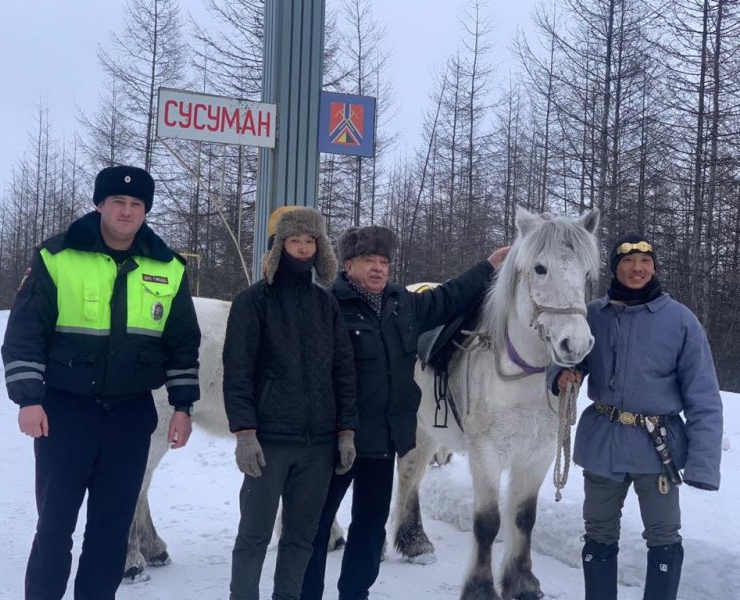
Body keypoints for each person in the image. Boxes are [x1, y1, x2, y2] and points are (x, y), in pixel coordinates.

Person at [1, 165, 201, 600]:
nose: (126, 211)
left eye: (136, 204)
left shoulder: (168, 268)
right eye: (118, 202)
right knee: (55, 527)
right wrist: (28, 399)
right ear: (99, 204)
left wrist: (184, 406)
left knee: (111, 532)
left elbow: (183, 344)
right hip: (65, 413)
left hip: (130, 416)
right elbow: (24, 334)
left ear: (145, 211)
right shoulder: (57, 257)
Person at [301, 225, 509, 600]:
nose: (378, 269)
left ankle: (355, 594)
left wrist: (489, 266)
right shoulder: (327, 306)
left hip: (381, 441)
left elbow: (449, 297)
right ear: (349, 265)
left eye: (384, 262)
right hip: (335, 441)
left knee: (369, 529)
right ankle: (306, 593)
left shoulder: (403, 305)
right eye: (369, 261)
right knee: (315, 526)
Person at [550, 233, 723, 600]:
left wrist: (703, 464)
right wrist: (562, 375)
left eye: (644, 261)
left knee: (663, 537)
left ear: (654, 267)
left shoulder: (681, 321)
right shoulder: (593, 314)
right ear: (615, 268)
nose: (637, 268)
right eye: (627, 261)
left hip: (656, 448)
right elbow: (566, 354)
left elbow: (704, 398)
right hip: (603, 445)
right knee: (598, 532)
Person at [223, 206, 358, 600]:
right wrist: (245, 432)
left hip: (317, 447)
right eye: (294, 240)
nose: (302, 249)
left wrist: (346, 431)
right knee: (254, 536)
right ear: (278, 246)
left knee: (301, 538)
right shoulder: (253, 302)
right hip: (269, 443)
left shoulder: (325, 304)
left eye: (310, 241)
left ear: (320, 249)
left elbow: (343, 371)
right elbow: (238, 372)